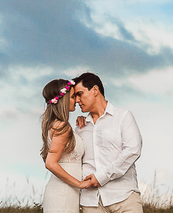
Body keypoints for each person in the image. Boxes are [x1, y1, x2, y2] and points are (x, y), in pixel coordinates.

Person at [71, 72, 143, 213]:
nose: (77, 100)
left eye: (80, 94)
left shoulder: (123, 117)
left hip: (124, 197)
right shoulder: (80, 128)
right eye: (75, 96)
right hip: (91, 202)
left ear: (95, 90)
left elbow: (132, 151)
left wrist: (101, 177)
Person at [41, 78, 96, 213]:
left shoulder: (55, 124)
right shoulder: (62, 127)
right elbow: (50, 163)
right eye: (72, 97)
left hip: (65, 191)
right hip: (63, 193)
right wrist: (79, 184)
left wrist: (83, 123)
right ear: (62, 100)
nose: (76, 100)